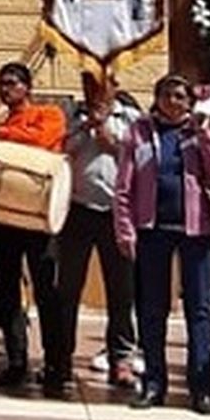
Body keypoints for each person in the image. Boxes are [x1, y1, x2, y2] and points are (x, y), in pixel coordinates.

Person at [114, 73, 210, 415]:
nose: (173, 101)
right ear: (156, 98)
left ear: (189, 102)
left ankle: (202, 389)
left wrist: (204, 134)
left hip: (196, 231)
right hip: (152, 230)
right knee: (153, 310)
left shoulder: (198, 132)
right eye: (167, 95)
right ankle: (153, 384)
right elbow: (124, 185)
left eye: (180, 96)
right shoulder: (139, 131)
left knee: (199, 309)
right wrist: (125, 229)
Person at [0, 60, 69, 397]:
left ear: (27, 87)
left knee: (47, 292)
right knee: (6, 293)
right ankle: (17, 361)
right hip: (6, 220)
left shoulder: (49, 114)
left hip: (38, 220)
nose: (6, 89)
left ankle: (56, 365)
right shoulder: (4, 123)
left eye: (12, 83)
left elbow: (42, 141)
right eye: (2, 83)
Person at [54, 67, 140, 390]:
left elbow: (138, 157)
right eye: (89, 85)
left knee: (121, 291)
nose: (95, 91)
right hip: (77, 212)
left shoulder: (130, 116)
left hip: (116, 213)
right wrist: (86, 127)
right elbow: (59, 151)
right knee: (68, 290)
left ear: (114, 86)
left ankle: (121, 358)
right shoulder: (72, 114)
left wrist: (110, 138)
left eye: (101, 85)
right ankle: (61, 360)